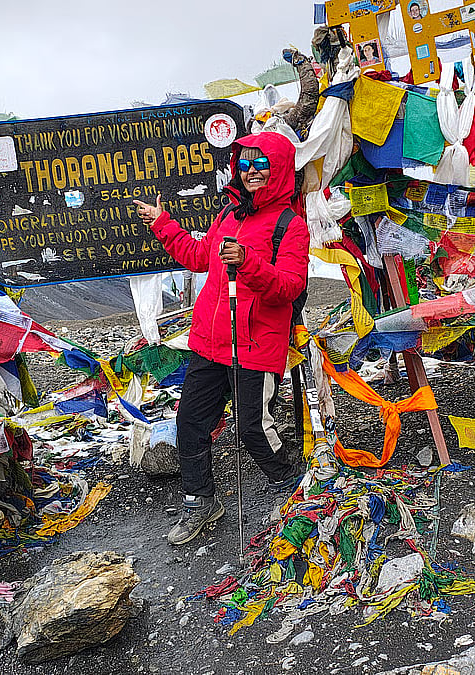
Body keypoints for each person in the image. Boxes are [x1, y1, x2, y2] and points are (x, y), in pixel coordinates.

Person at [133, 133, 308, 546]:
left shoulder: (291, 226)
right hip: (211, 342)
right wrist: (163, 224)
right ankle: (200, 501)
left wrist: (248, 264)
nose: (250, 171)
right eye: (244, 163)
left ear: (279, 169)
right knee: (189, 423)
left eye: (260, 163)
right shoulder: (229, 214)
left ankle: (294, 486)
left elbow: (289, 286)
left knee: (252, 428)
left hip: (256, 345)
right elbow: (198, 257)